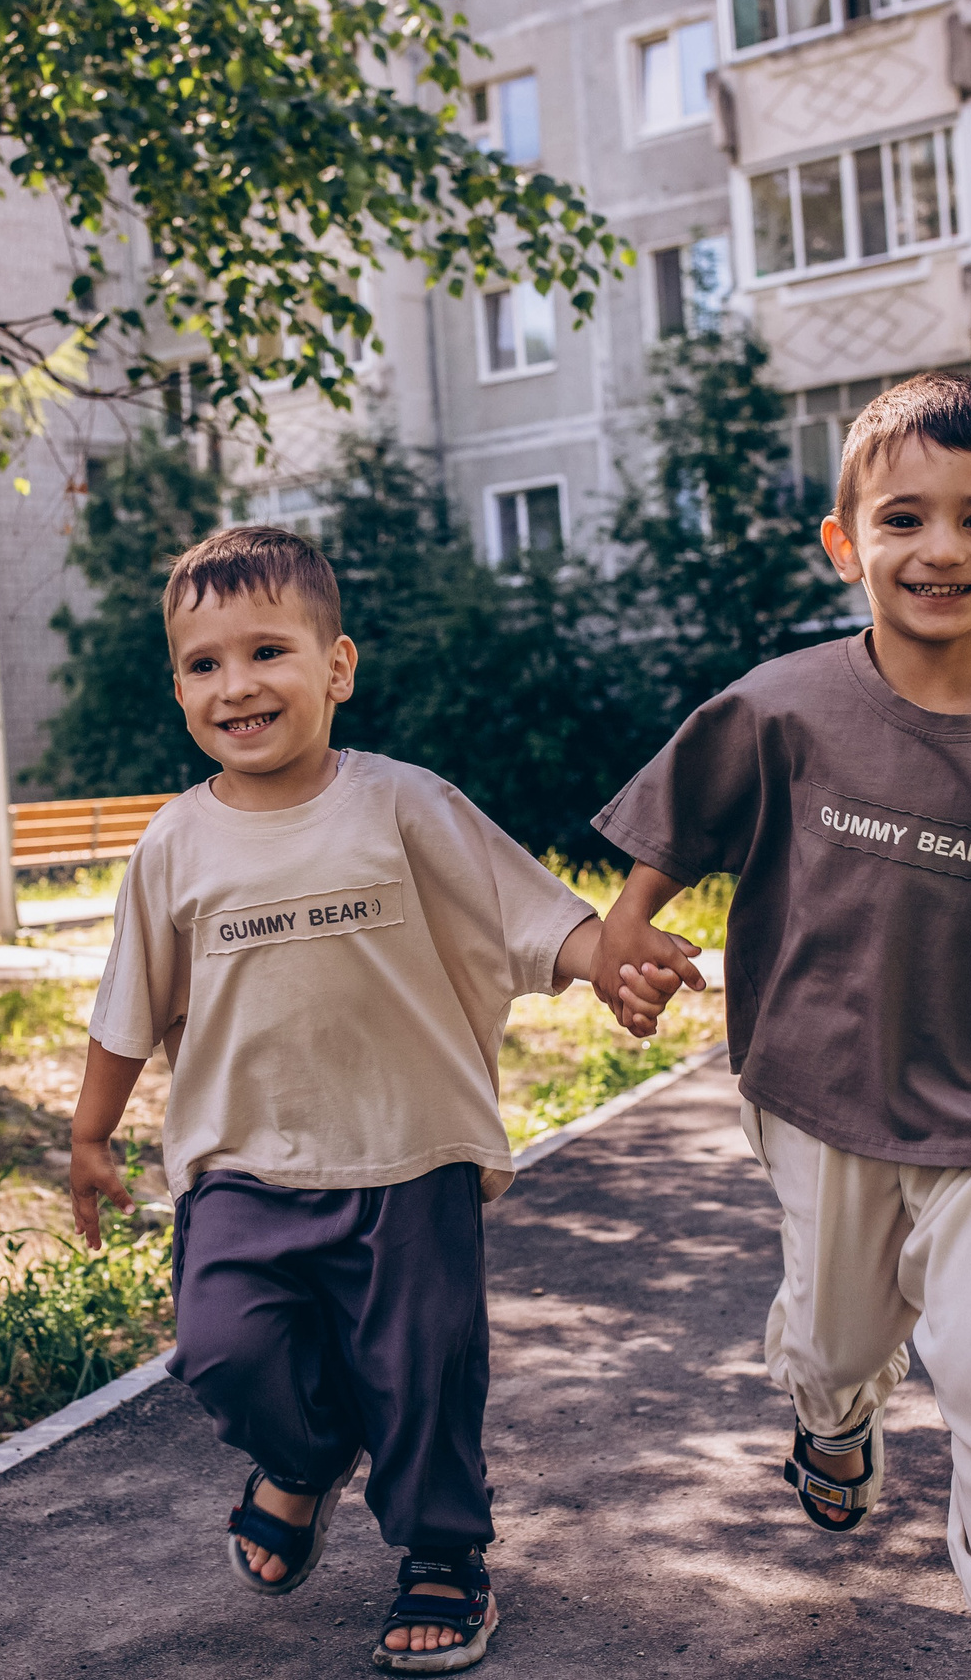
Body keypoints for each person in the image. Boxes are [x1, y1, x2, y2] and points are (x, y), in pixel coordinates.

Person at [591, 373, 971, 1680]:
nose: (941, 548)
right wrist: (624, 930)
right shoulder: (785, 704)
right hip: (818, 1087)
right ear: (847, 541)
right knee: (835, 1335)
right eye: (904, 518)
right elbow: (675, 822)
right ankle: (834, 1420)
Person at [67, 524, 678, 1674]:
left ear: (336, 667)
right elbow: (128, 1005)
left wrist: (615, 962)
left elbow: (533, 913)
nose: (237, 685)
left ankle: (443, 1555)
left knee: (425, 1374)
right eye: (204, 664)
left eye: (267, 652)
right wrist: (90, 1134)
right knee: (222, 1350)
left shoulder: (402, 804)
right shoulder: (173, 843)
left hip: (409, 1160)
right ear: (178, 686)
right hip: (241, 1163)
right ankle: (300, 1464)